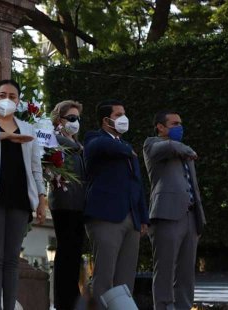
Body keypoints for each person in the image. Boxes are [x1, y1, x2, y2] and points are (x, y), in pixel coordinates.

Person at [0, 79, 47, 310]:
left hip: (20, 197)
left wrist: (41, 198)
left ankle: (9, 306)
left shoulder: (28, 129)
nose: (7, 99)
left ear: (19, 100)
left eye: (12, 96)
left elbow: (36, 167)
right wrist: (5, 137)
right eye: (2, 94)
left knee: (12, 258)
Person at [83, 99, 149, 309]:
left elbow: (137, 185)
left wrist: (143, 218)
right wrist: (127, 151)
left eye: (124, 113)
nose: (124, 118)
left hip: (132, 219)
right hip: (105, 217)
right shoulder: (95, 138)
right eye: (118, 114)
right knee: (104, 276)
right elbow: (101, 146)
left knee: (126, 279)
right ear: (106, 120)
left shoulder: (127, 148)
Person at [143, 111, 206, 310]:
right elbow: (168, 146)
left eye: (181, 123)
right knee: (165, 269)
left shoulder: (184, 153)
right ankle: (163, 307)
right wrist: (186, 148)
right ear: (160, 127)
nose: (180, 127)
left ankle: (184, 307)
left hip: (190, 216)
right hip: (166, 215)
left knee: (186, 272)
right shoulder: (152, 144)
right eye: (174, 123)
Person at [48, 100, 87, 310]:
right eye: (71, 118)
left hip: (79, 204)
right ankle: (65, 301)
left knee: (74, 253)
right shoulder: (54, 138)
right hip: (63, 203)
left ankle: (72, 298)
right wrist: (78, 147)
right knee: (66, 251)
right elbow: (57, 142)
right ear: (59, 119)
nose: (75, 122)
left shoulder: (78, 146)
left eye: (77, 119)